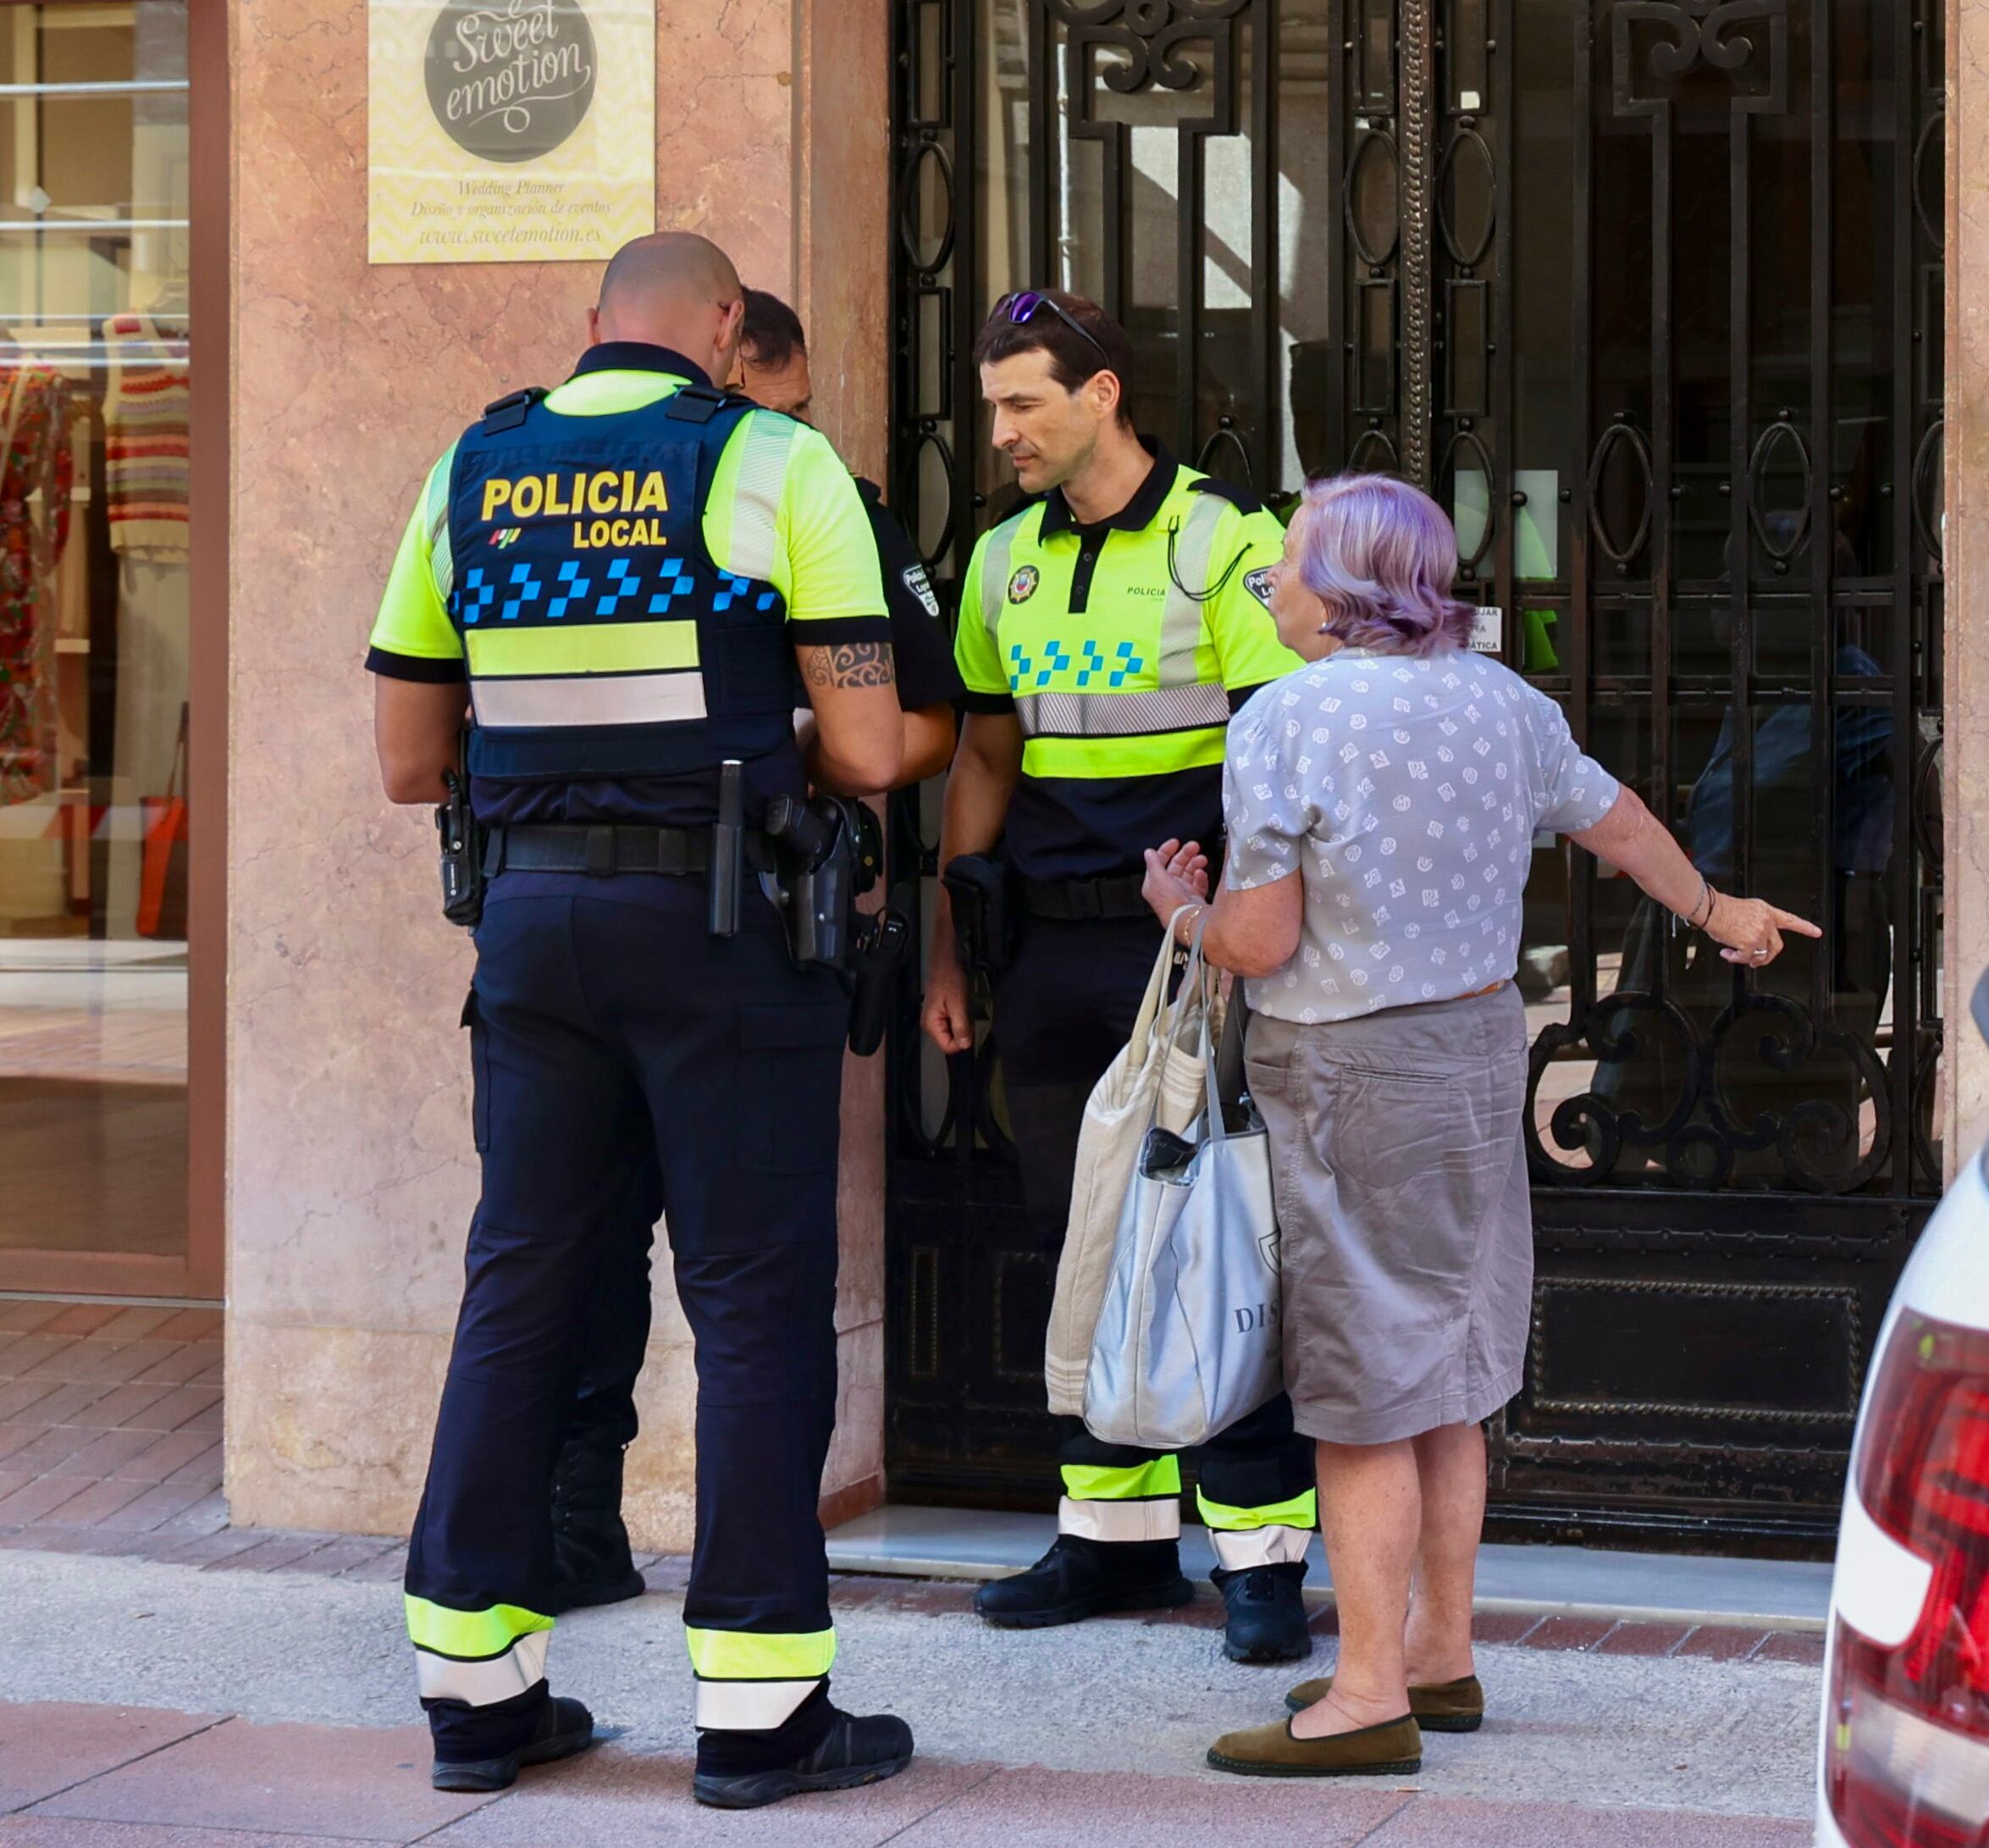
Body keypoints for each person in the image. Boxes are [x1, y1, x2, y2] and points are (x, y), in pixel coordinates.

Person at [1139, 474, 1817, 1777]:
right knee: (1446, 1368)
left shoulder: (1286, 719)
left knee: (1360, 1393)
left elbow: (1262, 937)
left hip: (1346, 1071)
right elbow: (1613, 819)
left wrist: (1180, 911)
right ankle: (1443, 1655)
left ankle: (1366, 1693)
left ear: (1343, 590)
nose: (1268, 583)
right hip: (1470, 1054)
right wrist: (1718, 909)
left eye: (1284, 564)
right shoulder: (1502, 701)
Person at [367, 231, 916, 1807]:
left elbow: (412, 762)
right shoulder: (776, 460)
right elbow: (875, 750)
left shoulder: (471, 467)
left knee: (520, 1284)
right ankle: (758, 1715)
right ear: (729, 330)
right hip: (725, 931)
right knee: (751, 1300)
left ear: (592, 326)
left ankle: (476, 1696)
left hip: (532, 931)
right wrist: (754, 742)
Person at [531, 287, 967, 1614]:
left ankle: (735, 1589)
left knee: (732, 1275)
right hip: (641, 913)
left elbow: (921, 724)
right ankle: (579, 1524)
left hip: (768, 907)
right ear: (728, 349)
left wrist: (780, 747)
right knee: (596, 1255)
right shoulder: (644, 481)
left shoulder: (826, 493)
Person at [921, 287, 1320, 1662]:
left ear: (1103, 396)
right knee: (1080, 1238)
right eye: (994, 408)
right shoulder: (998, 559)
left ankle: (1262, 1557)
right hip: (1048, 947)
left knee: (1219, 1233)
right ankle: (1114, 1540)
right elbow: (985, 755)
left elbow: (1284, 753)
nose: (1007, 433)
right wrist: (948, 942)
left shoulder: (1229, 540)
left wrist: (1243, 925)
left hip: (1189, 953)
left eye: (1026, 403)